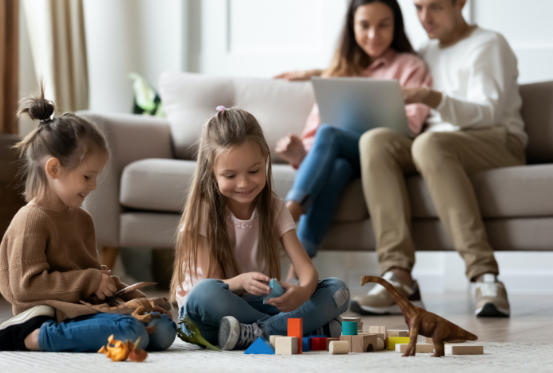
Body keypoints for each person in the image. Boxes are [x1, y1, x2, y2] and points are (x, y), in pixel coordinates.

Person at [351, 0, 526, 317]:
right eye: (418, 7)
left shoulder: (488, 43)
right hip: (434, 144)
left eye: (435, 7)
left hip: (497, 139)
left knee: (429, 144)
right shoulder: (426, 50)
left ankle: (485, 276)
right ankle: (397, 275)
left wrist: (428, 96)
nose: (424, 18)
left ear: (461, 3)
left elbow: (487, 114)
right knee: (375, 140)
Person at [0, 87, 177, 352]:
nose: (94, 185)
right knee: (131, 331)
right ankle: (29, 337)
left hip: (83, 308)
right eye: (87, 176)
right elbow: (25, 287)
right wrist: (90, 281)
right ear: (54, 169)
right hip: (50, 314)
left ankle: (109, 327)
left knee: (163, 329)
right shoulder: (31, 220)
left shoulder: (82, 219)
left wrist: (141, 301)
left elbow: (96, 279)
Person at [274, 0, 432, 281]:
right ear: (352, 27)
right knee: (337, 168)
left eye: (383, 24)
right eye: (364, 25)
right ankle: (297, 273)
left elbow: (410, 125)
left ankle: (289, 212)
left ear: (395, 25)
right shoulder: (338, 71)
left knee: (330, 132)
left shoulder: (411, 67)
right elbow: (313, 135)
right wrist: (300, 153)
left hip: (386, 156)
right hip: (345, 159)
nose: (374, 35)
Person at [171, 106, 350, 351]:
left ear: (265, 158)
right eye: (230, 175)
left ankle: (260, 333)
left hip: (251, 308)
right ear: (211, 172)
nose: (244, 183)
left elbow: (307, 270)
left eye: (254, 171)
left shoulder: (274, 208)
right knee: (204, 294)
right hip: (207, 316)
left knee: (337, 290)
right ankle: (298, 328)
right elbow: (209, 286)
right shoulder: (202, 213)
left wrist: (302, 291)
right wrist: (241, 282)